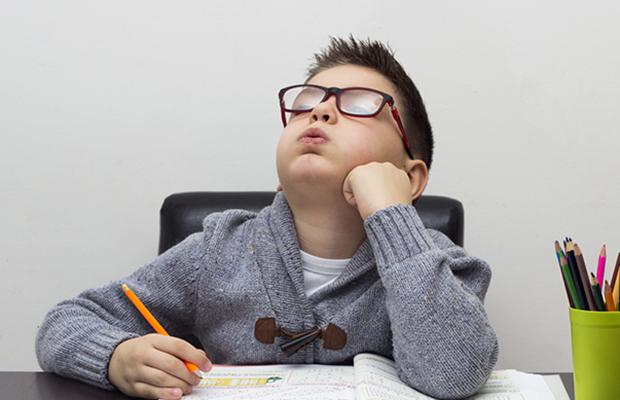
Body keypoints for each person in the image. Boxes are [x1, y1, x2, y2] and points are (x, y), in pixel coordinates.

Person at [36, 35, 498, 400]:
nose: (320, 110)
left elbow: (454, 374)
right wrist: (116, 356)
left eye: (359, 104)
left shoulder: (443, 266)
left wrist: (392, 214)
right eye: (307, 101)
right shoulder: (219, 249)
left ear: (410, 176)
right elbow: (65, 322)